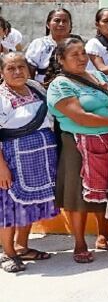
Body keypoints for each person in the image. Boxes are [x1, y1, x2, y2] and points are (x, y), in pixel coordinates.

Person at [47, 36, 108, 263]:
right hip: (78, 144)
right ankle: (79, 243)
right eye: (74, 55)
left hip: (107, 143)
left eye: (83, 53)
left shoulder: (97, 76)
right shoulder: (60, 85)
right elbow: (79, 116)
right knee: (77, 196)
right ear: (61, 60)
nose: (82, 58)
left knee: (105, 190)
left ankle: (104, 236)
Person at [0, 52, 58, 273]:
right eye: (11, 68)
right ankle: (8, 252)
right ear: (2, 72)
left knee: (30, 205)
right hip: (11, 159)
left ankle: (22, 246)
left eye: (21, 67)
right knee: (8, 207)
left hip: (40, 158)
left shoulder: (35, 88)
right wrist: (1, 167)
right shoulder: (1, 97)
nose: (17, 72)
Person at [25, 8, 73, 82]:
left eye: (65, 21)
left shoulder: (76, 44)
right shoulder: (39, 44)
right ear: (48, 24)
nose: (61, 24)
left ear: (70, 25)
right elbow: (29, 72)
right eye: (57, 20)